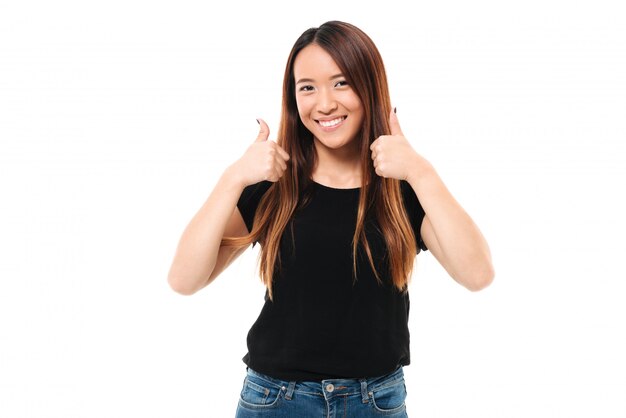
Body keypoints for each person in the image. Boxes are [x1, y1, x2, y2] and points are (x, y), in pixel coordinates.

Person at [167, 20, 494, 418]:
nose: (324, 104)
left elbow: (477, 275)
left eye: (341, 83)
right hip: (275, 400)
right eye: (308, 87)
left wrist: (421, 172)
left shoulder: (401, 186)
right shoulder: (275, 183)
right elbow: (184, 280)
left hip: (375, 401)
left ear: (369, 86)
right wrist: (233, 178)